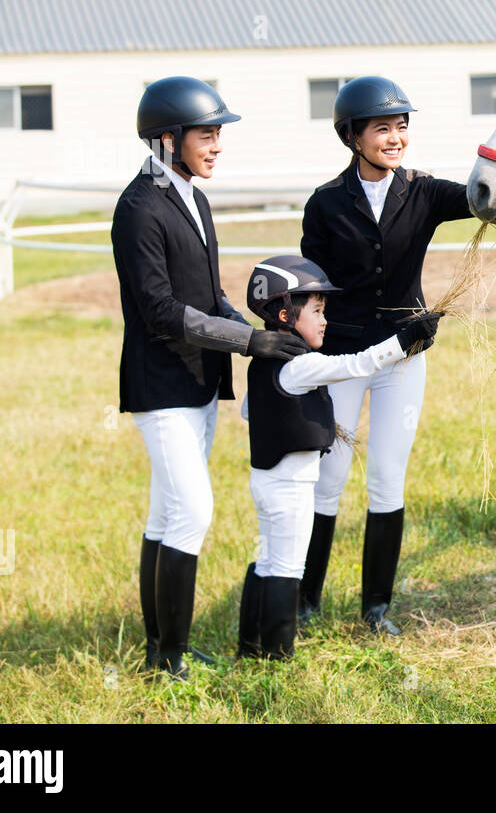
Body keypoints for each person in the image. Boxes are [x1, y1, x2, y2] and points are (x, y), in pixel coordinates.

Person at [112, 76, 307, 680]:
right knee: (193, 512)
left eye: (219, 133)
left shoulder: (192, 196)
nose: (218, 145)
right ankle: (168, 658)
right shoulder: (138, 208)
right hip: (160, 383)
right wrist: (248, 340)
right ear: (168, 139)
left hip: (198, 381)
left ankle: (159, 649)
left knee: (165, 514)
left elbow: (209, 294)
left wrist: (262, 332)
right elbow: (163, 311)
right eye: (207, 134)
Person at [299, 75, 473, 634]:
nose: (395, 138)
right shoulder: (325, 204)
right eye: (382, 129)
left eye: (401, 127)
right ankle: (305, 600)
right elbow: (311, 289)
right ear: (353, 137)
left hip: (404, 356)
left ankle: (376, 607)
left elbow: (482, 199)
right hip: (344, 359)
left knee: (387, 477)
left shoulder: (423, 191)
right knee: (328, 478)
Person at [237, 255, 440, 659]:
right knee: (289, 566)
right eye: (316, 311)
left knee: (268, 559)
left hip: (267, 480)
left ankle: (251, 647)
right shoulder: (299, 366)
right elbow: (357, 363)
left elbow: (249, 410)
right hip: (292, 486)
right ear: (284, 314)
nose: (325, 320)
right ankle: (277, 657)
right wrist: (402, 343)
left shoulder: (266, 361)